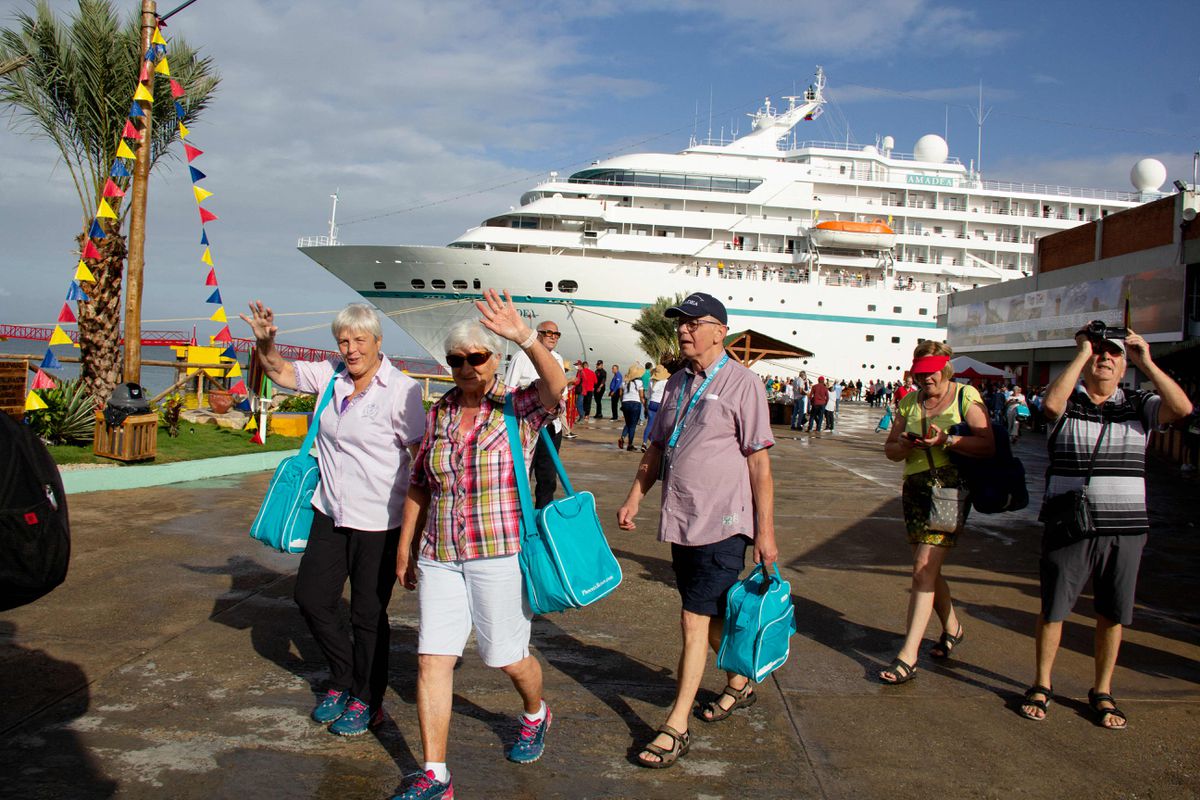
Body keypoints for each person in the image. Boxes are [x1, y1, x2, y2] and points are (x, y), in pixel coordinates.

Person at [393, 290, 566, 800]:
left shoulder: (518, 408)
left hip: (500, 551)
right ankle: (436, 775)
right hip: (441, 554)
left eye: (476, 357)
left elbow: (556, 386)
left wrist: (526, 338)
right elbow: (421, 483)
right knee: (432, 660)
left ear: (494, 359)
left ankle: (535, 712)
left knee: (507, 658)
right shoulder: (441, 413)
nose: (465, 367)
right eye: (456, 359)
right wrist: (407, 547)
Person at [240, 301, 426, 735]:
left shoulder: (403, 391)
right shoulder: (331, 377)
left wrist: (415, 536)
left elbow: (420, 464)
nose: (351, 348)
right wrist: (265, 339)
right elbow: (279, 372)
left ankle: (367, 698)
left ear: (378, 342)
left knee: (367, 614)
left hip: (380, 522)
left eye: (360, 340)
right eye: (344, 340)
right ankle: (343, 679)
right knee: (311, 598)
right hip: (330, 511)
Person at [617, 292, 778, 769]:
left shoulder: (744, 384)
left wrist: (765, 534)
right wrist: (634, 496)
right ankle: (740, 679)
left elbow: (760, 466)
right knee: (709, 617)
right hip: (682, 520)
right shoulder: (676, 384)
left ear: (719, 331)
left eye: (693, 323)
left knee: (693, 619)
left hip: (726, 522)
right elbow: (657, 447)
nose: (683, 330)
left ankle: (676, 726)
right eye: (680, 323)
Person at [1018, 327, 1191, 729]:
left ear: (1124, 363)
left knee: (1112, 613)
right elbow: (1050, 405)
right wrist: (1081, 352)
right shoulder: (1069, 399)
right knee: (1055, 608)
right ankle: (1042, 684)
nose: (1105, 358)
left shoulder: (1140, 403)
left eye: (1114, 353)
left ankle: (1102, 690)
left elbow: (1182, 410)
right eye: (1099, 353)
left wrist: (1146, 360)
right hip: (1070, 524)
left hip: (1126, 526)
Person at [880, 341, 994, 685]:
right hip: (915, 488)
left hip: (950, 488)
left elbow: (987, 445)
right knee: (927, 568)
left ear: (945, 369)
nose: (924, 379)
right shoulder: (910, 401)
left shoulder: (966, 396)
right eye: (919, 373)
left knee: (923, 568)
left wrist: (946, 440)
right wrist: (903, 444)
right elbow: (890, 450)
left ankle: (908, 655)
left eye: (930, 373)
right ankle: (953, 628)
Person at [505, 319, 566, 509]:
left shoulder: (557, 359)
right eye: (548, 333)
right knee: (522, 476)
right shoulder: (521, 357)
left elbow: (560, 390)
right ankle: (520, 519)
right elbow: (509, 390)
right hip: (527, 427)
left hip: (551, 427)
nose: (553, 337)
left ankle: (543, 519)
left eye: (556, 334)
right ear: (537, 334)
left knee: (548, 477)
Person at [641, 364, 669, 452]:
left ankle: (644, 443)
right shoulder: (665, 381)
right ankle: (654, 445)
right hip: (661, 404)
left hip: (652, 403)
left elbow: (648, 395)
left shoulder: (651, 381)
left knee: (650, 424)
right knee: (659, 425)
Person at [619, 364, 645, 452]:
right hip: (635, 404)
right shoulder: (639, 383)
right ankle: (630, 444)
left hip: (625, 403)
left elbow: (620, 394)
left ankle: (622, 437)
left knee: (628, 423)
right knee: (633, 425)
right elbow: (641, 396)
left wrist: (622, 403)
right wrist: (645, 405)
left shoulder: (624, 382)